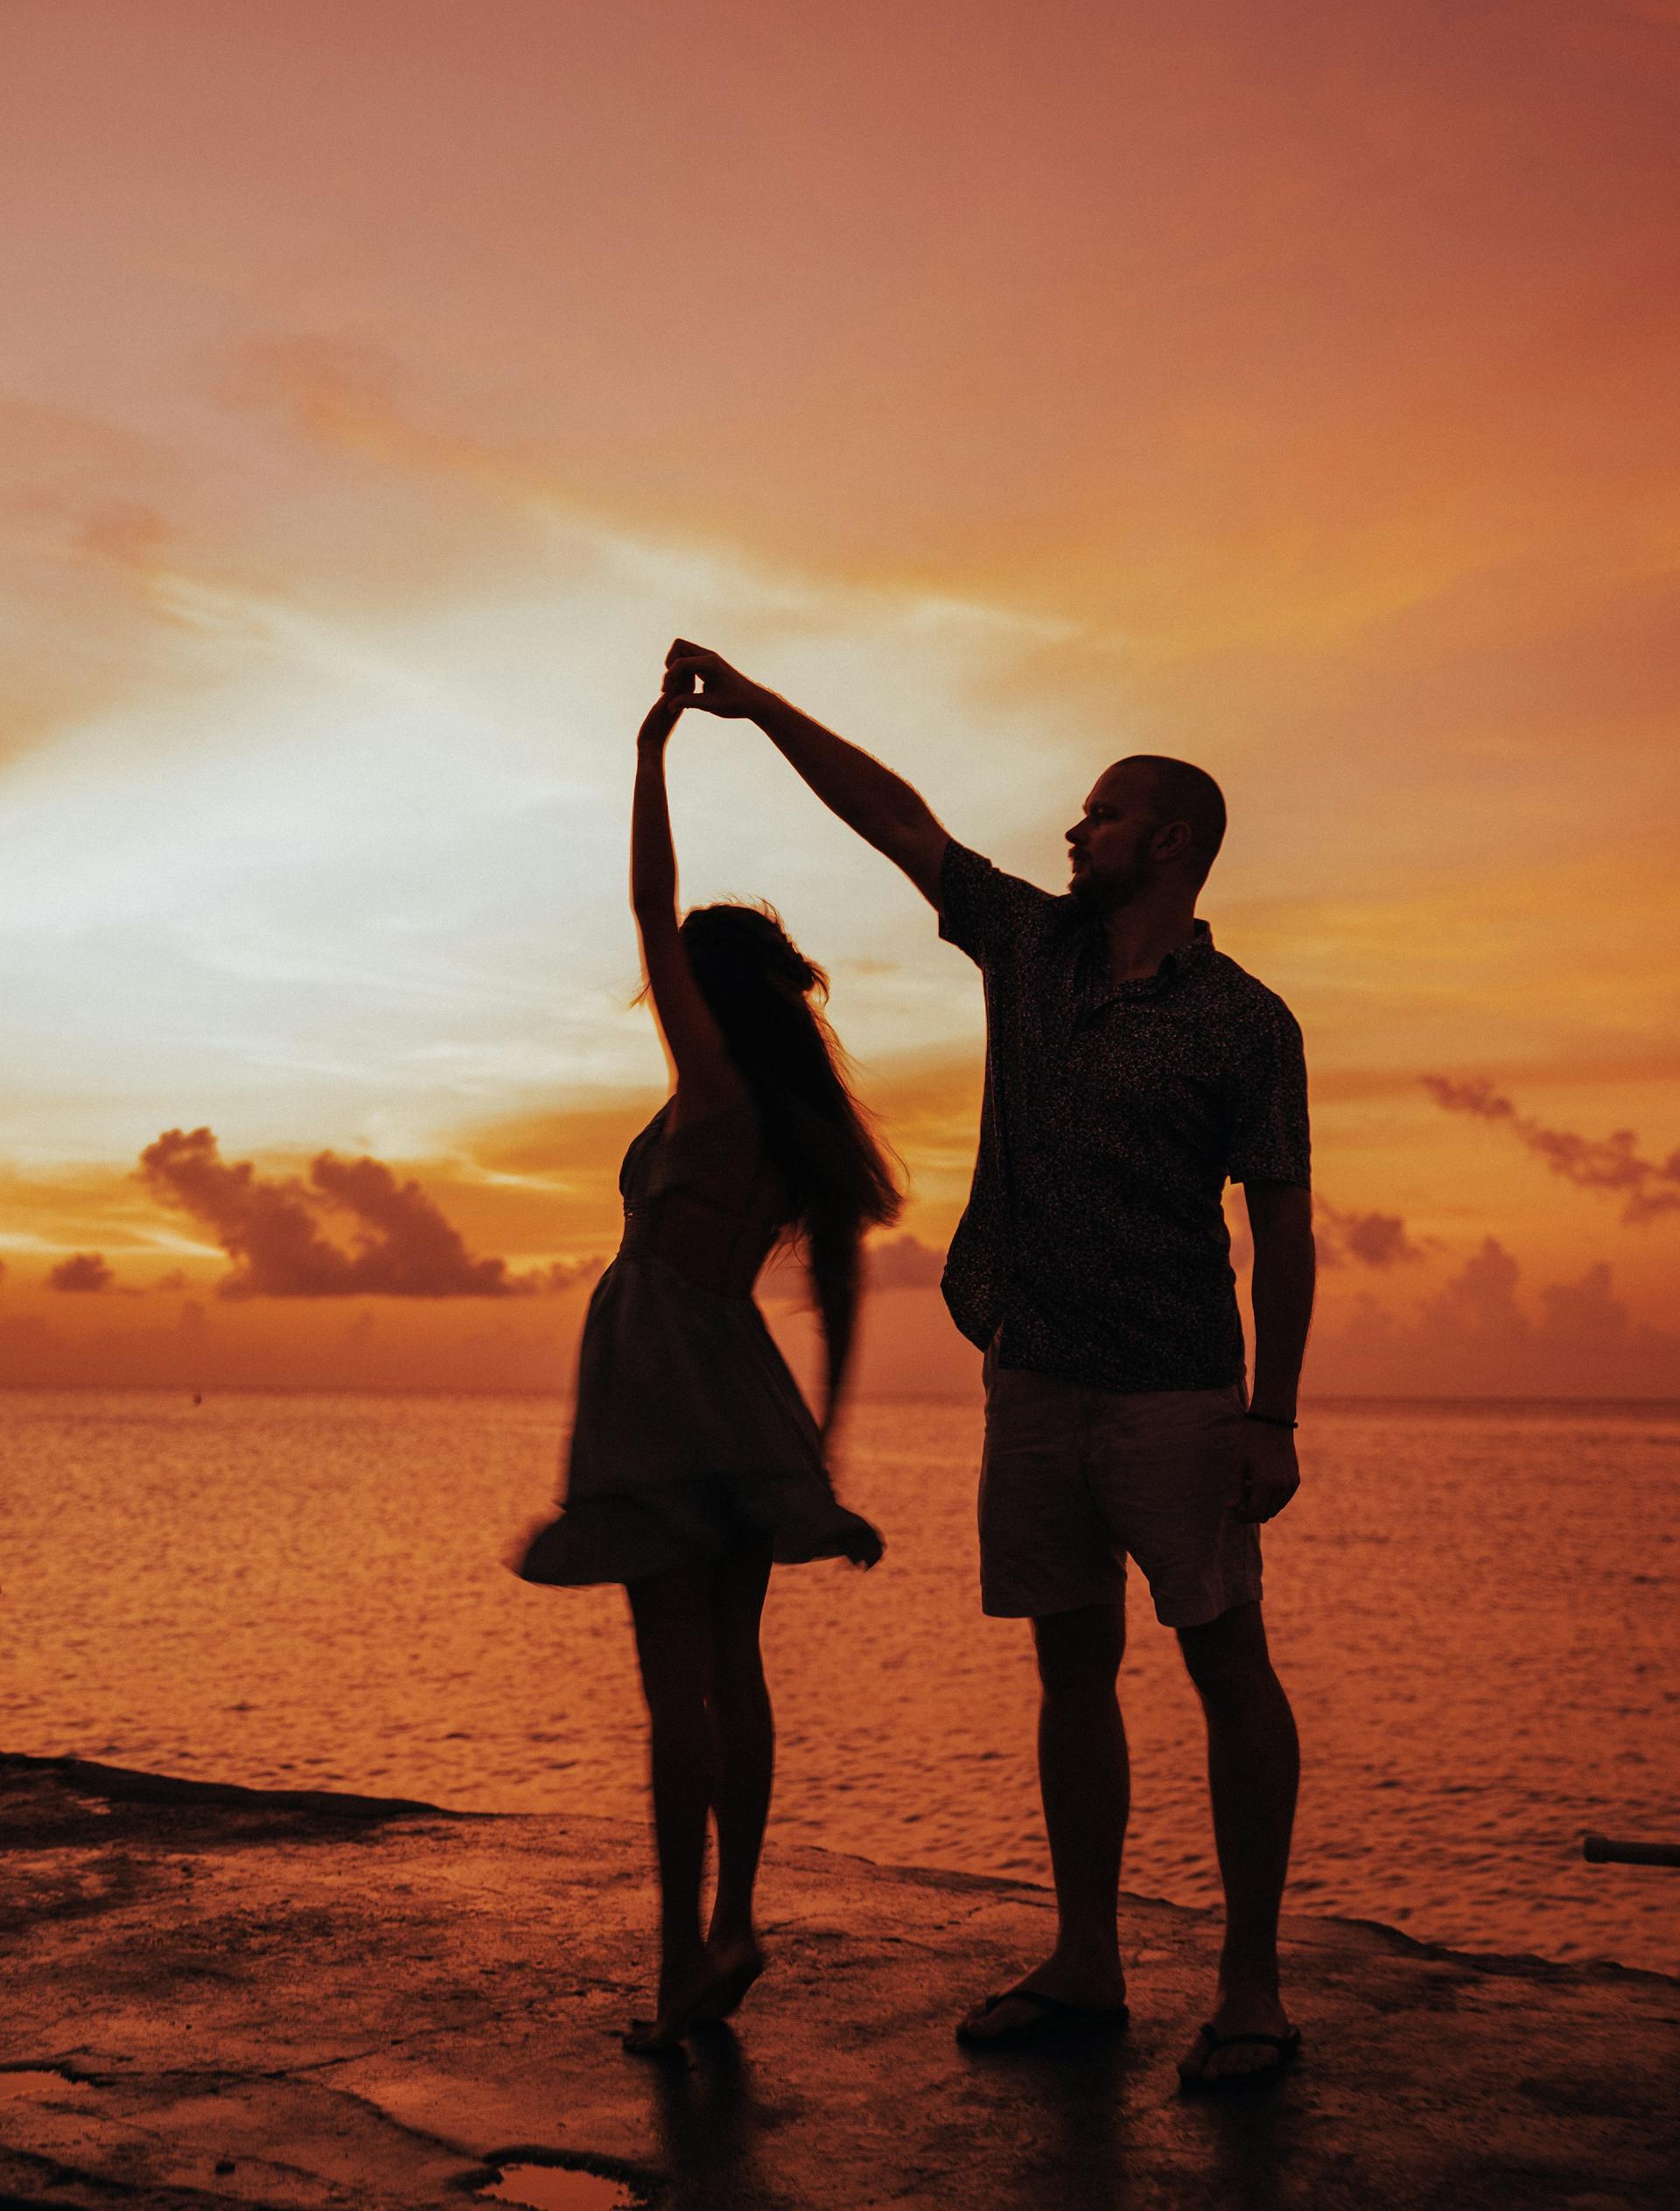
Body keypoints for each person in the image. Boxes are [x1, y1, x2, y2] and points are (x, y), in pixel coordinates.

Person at [662, 640, 1314, 2088]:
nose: (1074, 831)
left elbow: (1283, 1230)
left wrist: (1271, 1414)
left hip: (1180, 1391)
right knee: (1069, 1669)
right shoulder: (1032, 949)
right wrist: (761, 708)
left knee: (1226, 1665)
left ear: (1174, 841)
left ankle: (1252, 1988)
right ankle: (1089, 1964)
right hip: (1030, 1381)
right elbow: (900, 823)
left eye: (1101, 813)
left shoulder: (1245, 1023)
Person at [516, 689, 900, 2054]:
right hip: (742, 1394)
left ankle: (684, 1961)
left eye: (679, 974)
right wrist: (825, 1454)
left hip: (656, 1385)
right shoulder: (797, 1126)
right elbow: (844, 1305)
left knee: (671, 1685)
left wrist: (650, 751)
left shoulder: (717, 1089)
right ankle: (735, 1916)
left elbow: (644, 903)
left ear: (706, 992)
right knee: (734, 1669)